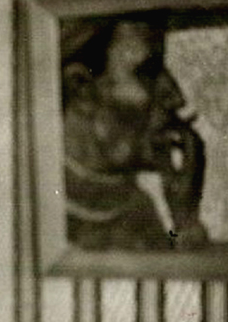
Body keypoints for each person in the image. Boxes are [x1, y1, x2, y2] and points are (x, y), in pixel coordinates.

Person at [60, 19, 208, 250]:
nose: (176, 98)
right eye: (148, 72)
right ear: (81, 89)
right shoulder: (25, 206)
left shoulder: (138, 210)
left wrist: (185, 219)